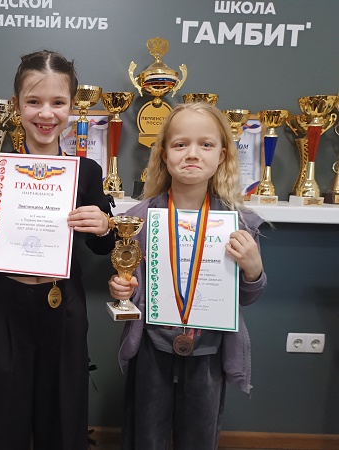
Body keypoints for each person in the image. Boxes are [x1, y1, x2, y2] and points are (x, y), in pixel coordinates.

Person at [0, 50, 115, 450]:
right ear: (16, 105)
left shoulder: (87, 172)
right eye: (34, 101)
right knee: (1, 414)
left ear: (72, 107)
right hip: (6, 303)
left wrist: (103, 224)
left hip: (64, 302)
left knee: (64, 412)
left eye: (58, 102)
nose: (46, 113)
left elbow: (104, 248)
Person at [108, 102, 267, 450]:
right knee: (145, 434)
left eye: (205, 144)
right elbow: (130, 287)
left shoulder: (239, 223)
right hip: (151, 345)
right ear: (164, 154)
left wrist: (253, 269)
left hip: (209, 347)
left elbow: (247, 297)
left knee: (200, 435)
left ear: (222, 155)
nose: (192, 153)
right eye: (180, 144)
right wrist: (122, 288)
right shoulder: (139, 219)